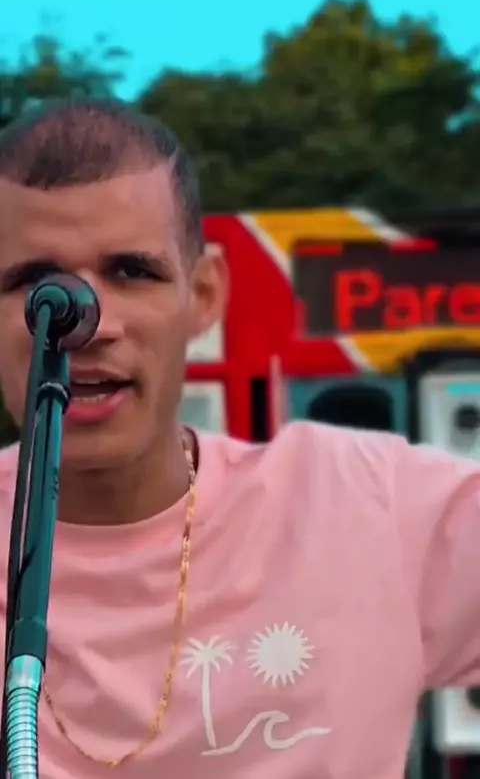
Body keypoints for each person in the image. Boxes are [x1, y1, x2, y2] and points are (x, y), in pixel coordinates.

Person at [0, 98, 479, 779]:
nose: (87, 324)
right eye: (36, 284)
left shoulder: (370, 506)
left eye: (132, 272)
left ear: (204, 296)